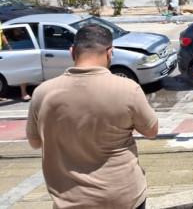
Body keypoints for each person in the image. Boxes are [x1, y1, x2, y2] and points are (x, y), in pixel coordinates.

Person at [26, 24, 158, 208]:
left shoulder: (42, 93)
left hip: (70, 200)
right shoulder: (128, 89)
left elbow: (35, 143)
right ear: (110, 52)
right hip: (124, 197)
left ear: (72, 52)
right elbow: (151, 131)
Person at [1, 26, 32, 101]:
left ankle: (23, 93)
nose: (20, 31)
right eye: (18, 30)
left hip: (3, 52)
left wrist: (8, 47)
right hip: (4, 54)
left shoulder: (22, 39)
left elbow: (1, 35)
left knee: (22, 70)